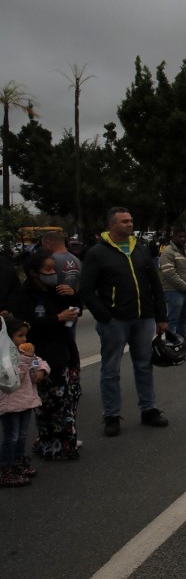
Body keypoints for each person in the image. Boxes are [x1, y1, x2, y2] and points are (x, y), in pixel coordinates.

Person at [79, 207, 170, 437]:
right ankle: (111, 415)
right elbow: (86, 291)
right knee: (111, 369)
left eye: (131, 220)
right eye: (124, 221)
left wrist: (161, 317)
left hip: (144, 318)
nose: (130, 224)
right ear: (112, 225)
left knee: (144, 365)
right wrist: (105, 316)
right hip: (114, 321)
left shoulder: (139, 249)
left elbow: (155, 285)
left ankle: (148, 409)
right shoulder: (97, 253)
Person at [9, 251, 82, 460]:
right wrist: (57, 318)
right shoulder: (23, 297)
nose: (53, 273)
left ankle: (66, 440)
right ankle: (52, 444)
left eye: (53, 269)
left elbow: (76, 309)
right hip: (43, 356)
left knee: (70, 397)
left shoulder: (56, 291)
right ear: (33, 273)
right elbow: (25, 328)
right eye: (48, 270)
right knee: (51, 403)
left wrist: (72, 295)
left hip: (66, 351)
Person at [0, 314, 49, 487]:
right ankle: (5, 468)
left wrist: (41, 371)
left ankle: (18, 463)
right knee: (11, 437)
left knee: (21, 436)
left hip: (26, 401)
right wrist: (26, 359)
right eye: (19, 336)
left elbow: (39, 362)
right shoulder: (4, 356)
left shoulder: (26, 353)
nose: (24, 339)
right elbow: (13, 378)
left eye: (25, 335)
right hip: (10, 404)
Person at [159, 227, 186, 352]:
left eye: (184, 236)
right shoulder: (168, 252)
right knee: (173, 319)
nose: (182, 238)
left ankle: (183, 342)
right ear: (173, 237)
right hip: (173, 291)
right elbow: (169, 273)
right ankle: (171, 345)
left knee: (183, 318)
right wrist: (184, 286)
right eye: (180, 236)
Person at [41, 230, 82, 295]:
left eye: (43, 245)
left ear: (47, 243)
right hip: (74, 300)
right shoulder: (77, 260)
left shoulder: (50, 261)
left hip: (56, 301)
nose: (44, 248)